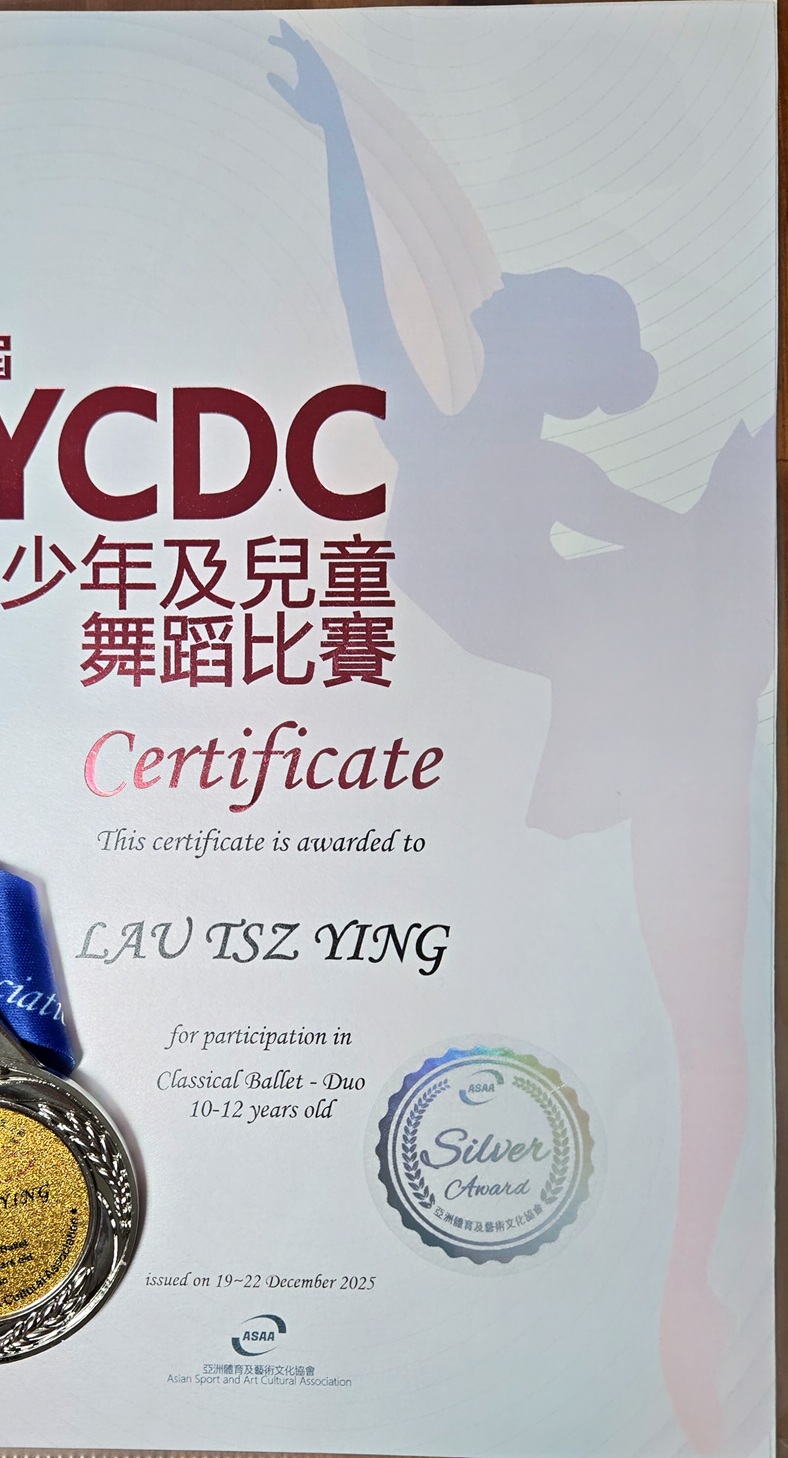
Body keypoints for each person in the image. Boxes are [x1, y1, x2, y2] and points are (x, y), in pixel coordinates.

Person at [269, 22, 774, 1452]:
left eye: (524, 309)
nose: (494, 308)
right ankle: (680, 1281)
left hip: (595, 672)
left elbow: (678, 552)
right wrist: (336, 137)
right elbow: (363, 279)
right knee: (677, 998)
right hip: (570, 681)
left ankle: (685, 1283)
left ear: (545, 357)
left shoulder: (507, 455)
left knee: (688, 1004)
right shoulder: (463, 439)